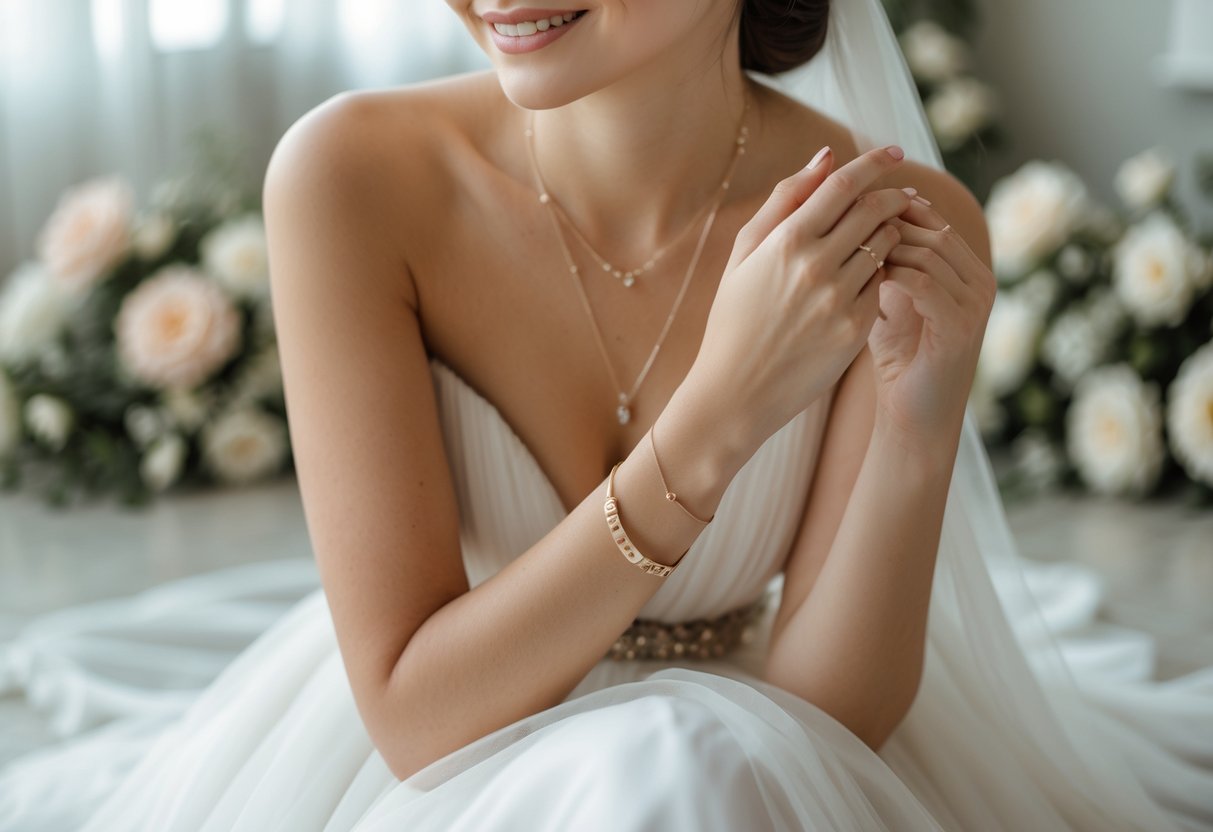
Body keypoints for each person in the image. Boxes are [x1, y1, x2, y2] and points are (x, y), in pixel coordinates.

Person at [1, 0, 1211, 829]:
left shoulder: (887, 227)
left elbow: (824, 728)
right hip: (454, 717)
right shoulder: (349, 180)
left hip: (750, 752)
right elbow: (418, 719)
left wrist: (917, 417)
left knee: (690, 772)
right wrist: (718, 418)